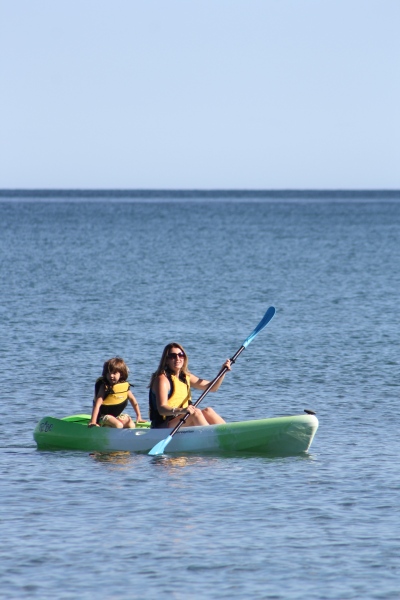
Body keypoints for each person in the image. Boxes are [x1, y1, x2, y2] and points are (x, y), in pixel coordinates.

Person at [149, 342, 231, 429]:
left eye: (180, 355)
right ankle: (213, 438)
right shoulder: (162, 379)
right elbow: (162, 409)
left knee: (208, 411)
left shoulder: (185, 377)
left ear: (184, 358)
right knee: (195, 413)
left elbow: (212, 388)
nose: (177, 358)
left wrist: (222, 372)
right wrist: (183, 410)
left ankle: (229, 433)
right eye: (173, 356)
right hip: (162, 426)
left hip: (181, 420)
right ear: (167, 360)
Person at [88, 357, 145, 428]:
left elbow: (133, 401)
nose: (111, 376)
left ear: (121, 374)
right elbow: (97, 404)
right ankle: (106, 426)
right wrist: (93, 421)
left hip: (116, 416)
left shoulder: (124, 387)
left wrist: (139, 416)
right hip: (104, 417)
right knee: (118, 425)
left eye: (114, 373)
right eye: (108, 373)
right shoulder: (104, 387)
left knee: (131, 424)